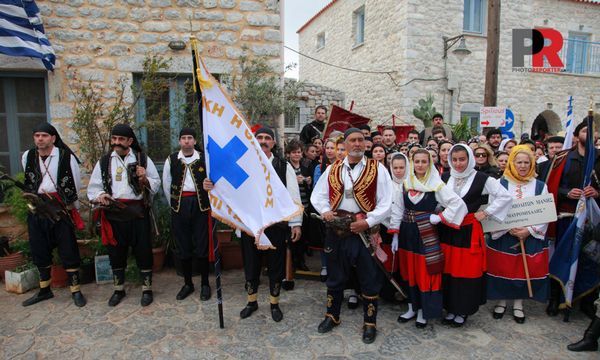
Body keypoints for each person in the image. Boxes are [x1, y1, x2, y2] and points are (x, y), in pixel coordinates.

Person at [204, 127, 302, 322]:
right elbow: (229, 190)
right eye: (260, 138)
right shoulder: (243, 164)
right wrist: (211, 186)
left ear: (274, 143)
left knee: (276, 266)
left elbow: (293, 195)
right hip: (250, 225)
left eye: (267, 138)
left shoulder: (283, 166)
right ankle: (252, 301)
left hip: (277, 225)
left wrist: (296, 223)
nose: (264, 141)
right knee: (251, 265)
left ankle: (274, 303)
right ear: (254, 142)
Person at [311, 128, 393, 344]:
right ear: (345, 144)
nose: (357, 144)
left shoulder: (378, 169)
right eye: (352, 141)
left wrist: (367, 221)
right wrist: (325, 211)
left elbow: (386, 202)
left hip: (364, 231)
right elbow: (317, 196)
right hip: (337, 231)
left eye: (361, 140)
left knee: (369, 277)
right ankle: (332, 315)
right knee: (336, 275)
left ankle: (370, 322)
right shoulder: (333, 169)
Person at [389, 149, 467, 328]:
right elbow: (398, 209)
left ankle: (424, 310)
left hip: (426, 234)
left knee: (424, 272)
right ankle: (411, 307)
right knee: (408, 270)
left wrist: (440, 217)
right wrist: (394, 233)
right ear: (412, 163)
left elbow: (458, 204)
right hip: (407, 232)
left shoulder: (437, 185)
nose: (420, 165)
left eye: (424, 162)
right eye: (417, 161)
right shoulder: (406, 183)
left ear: (429, 163)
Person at [438, 144, 512, 327]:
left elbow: (505, 197)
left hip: (468, 230)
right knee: (447, 269)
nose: (458, 163)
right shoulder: (445, 177)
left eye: (462, 159)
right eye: (454, 160)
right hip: (447, 229)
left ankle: (462, 310)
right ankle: (450, 307)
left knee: (465, 271)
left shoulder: (481, 178)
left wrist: (486, 213)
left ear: (469, 158)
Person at [88, 124, 161, 307]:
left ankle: (146, 289)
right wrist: (101, 196)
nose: (116, 143)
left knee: (143, 250)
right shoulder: (104, 162)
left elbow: (156, 183)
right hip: (114, 213)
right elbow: (94, 188)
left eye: (121, 139)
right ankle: (118, 289)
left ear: (130, 141)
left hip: (137, 212)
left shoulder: (142, 158)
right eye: (114, 139)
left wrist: (144, 179)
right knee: (116, 252)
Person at [20, 122, 87, 307]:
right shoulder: (28, 156)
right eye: (37, 136)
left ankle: (75, 290)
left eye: (44, 136)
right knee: (39, 248)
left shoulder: (66, 157)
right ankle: (44, 290)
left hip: (59, 208)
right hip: (37, 208)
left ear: (53, 138)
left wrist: (72, 209)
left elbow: (76, 183)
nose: (40, 139)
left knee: (67, 248)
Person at [487, 145, 550, 323]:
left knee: (523, 269)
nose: (522, 166)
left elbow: (544, 213)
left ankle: (518, 304)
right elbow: (493, 208)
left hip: (528, 235)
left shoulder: (540, 186)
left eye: (526, 162)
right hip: (505, 234)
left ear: (532, 163)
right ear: (512, 162)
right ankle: (501, 301)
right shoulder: (501, 183)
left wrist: (528, 231)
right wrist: (509, 228)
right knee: (503, 267)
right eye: (518, 162)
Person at [546, 121, 600, 318]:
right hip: (566, 218)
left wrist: (597, 192)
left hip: (592, 220)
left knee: (589, 261)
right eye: (585, 129)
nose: (590, 133)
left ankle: (586, 300)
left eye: (594, 130)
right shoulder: (563, 158)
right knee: (561, 256)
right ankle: (555, 298)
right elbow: (551, 188)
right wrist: (567, 193)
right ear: (577, 136)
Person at [162, 128, 212, 301]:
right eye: (183, 138)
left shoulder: (204, 159)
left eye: (190, 138)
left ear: (195, 141)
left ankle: (205, 283)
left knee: (202, 245)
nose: (186, 141)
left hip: (201, 207)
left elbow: (213, 183)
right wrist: (175, 206)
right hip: (180, 206)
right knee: (183, 246)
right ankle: (188, 284)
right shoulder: (172, 160)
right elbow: (166, 185)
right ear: (179, 141)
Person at [287, 140, 312, 272]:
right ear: (289, 154)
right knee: (292, 236)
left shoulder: (305, 166)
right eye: (294, 152)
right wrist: (293, 181)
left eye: (298, 152)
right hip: (292, 208)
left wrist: (308, 181)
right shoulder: (286, 167)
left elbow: (311, 186)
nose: (296, 155)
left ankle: (301, 261)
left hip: (305, 206)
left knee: (303, 236)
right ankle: (291, 262)